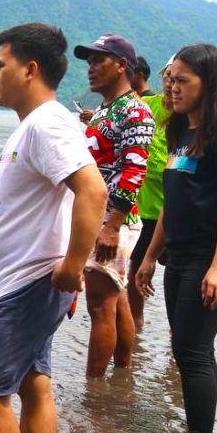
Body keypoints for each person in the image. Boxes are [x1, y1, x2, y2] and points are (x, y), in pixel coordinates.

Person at [0, 23, 106, 433]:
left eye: (0, 66)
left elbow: (93, 190)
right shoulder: (31, 127)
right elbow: (15, 216)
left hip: (31, 283)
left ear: (29, 70)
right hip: (17, 279)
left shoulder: (47, 124)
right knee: (33, 383)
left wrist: (72, 266)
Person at [136, 44, 217, 433]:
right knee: (183, 347)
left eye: (183, 80)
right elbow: (171, 200)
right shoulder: (179, 132)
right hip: (179, 259)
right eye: (171, 80)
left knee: (193, 350)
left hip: (213, 259)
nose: (174, 87)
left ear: (209, 83)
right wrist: (150, 256)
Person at [73, 33, 153, 377]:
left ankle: (93, 392)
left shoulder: (135, 110)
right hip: (98, 217)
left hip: (113, 220)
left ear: (122, 65)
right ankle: (123, 375)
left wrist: (111, 225)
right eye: (89, 62)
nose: (91, 69)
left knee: (99, 304)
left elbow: (135, 169)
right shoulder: (108, 109)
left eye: (98, 61)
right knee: (116, 298)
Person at [127, 55, 174, 331]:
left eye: (178, 77)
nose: (170, 82)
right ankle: (136, 327)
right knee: (137, 268)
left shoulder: (190, 118)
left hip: (176, 210)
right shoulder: (145, 108)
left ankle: (177, 339)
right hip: (143, 209)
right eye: (167, 75)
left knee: (178, 274)